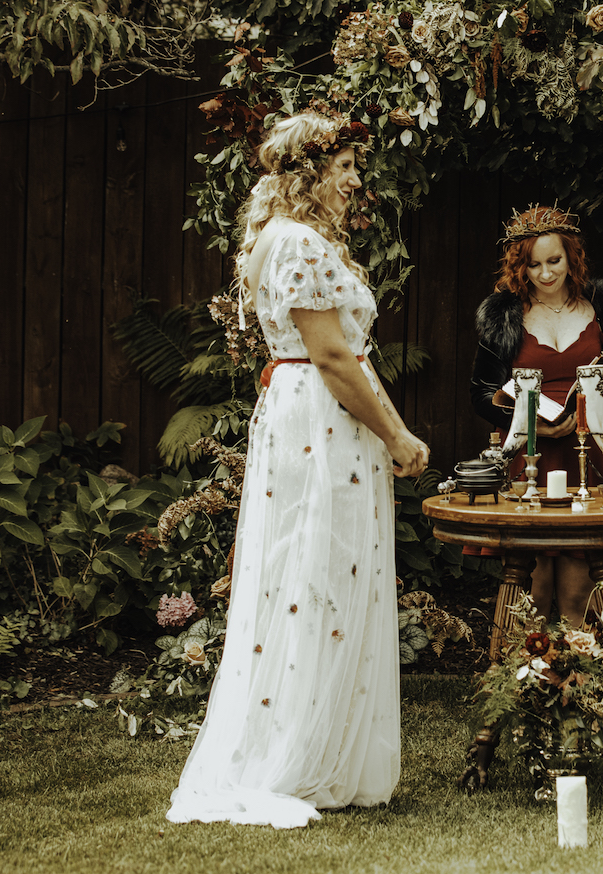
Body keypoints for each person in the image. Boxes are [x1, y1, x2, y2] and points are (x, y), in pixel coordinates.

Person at [167, 110, 430, 829]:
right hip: (321, 420)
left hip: (304, 414)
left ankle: (320, 747)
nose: (354, 183)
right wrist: (399, 436)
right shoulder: (303, 244)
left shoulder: (280, 241)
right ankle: (302, 755)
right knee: (320, 571)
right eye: (344, 168)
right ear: (310, 172)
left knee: (312, 573)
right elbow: (334, 357)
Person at [468, 206, 603, 626]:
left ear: (572, 257)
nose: (545, 274)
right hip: (529, 458)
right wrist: (528, 420)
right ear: (519, 266)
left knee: (581, 587)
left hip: (588, 458)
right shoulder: (503, 316)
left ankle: (579, 684)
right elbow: (481, 393)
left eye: (554, 261)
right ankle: (523, 683)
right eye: (534, 264)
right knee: (533, 587)